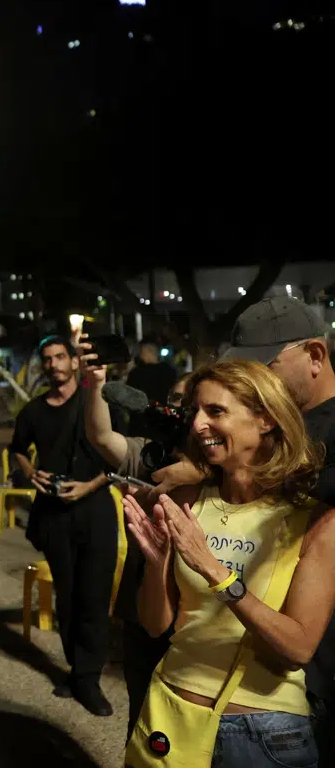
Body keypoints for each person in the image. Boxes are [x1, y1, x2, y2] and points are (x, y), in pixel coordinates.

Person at [124, 359, 335, 767]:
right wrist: (156, 563)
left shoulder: (313, 522)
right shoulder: (187, 502)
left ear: (266, 420)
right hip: (169, 716)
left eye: (215, 411)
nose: (198, 424)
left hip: (263, 736)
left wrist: (217, 572)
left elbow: (298, 647)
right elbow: (155, 625)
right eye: (195, 412)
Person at [224, 296, 335, 756]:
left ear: (315, 356)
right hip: (261, 668)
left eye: (266, 365)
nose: (254, 383)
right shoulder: (272, 427)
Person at [79, 350, 200, 739]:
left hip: (198, 618)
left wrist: (201, 469)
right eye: (180, 401)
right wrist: (96, 384)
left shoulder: (227, 462)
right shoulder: (150, 454)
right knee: (143, 719)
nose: (186, 412)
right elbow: (101, 436)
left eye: (197, 403)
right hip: (144, 609)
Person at [9, 337, 118, 716]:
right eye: (47, 360)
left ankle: (89, 679)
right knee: (68, 597)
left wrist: (88, 486)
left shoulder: (95, 403)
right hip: (54, 514)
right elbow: (18, 448)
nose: (54, 365)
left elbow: (119, 458)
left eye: (60, 357)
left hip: (95, 508)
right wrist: (30, 472)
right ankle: (77, 669)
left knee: (94, 595)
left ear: (74, 362)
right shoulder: (33, 411)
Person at [127, 341, 178, 413]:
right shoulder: (169, 370)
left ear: (147, 352)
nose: (140, 356)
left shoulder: (137, 373)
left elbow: (130, 395)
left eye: (141, 352)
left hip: (142, 415)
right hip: (164, 412)